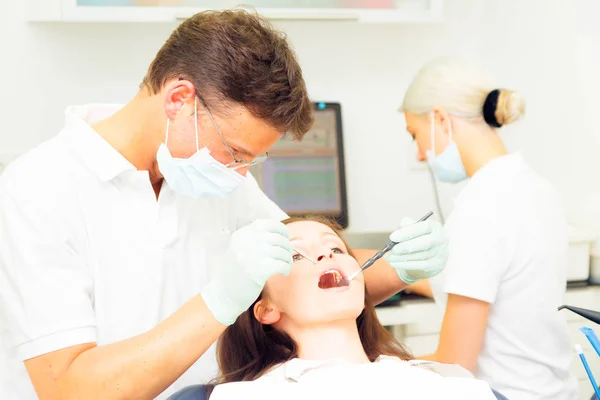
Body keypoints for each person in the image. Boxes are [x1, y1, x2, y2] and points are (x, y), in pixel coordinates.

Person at [0, 10, 448, 400]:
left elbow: (304, 283)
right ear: (179, 100)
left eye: (252, 161)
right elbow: (69, 390)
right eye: (235, 153)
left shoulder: (207, 174)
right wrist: (216, 302)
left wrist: (402, 268)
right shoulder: (37, 192)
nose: (239, 175)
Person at [399, 57, 579, 400]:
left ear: (439, 119)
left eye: (415, 135)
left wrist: (371, 369)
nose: (420, 153)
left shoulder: (480, 206)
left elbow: (455, 365)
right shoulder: (534, 186)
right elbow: (501, 286)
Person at [201, 216, 497, 400]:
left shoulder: (456, 389)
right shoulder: (245, 396)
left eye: (336, 249)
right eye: (296, 255)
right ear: (266, 309)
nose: (325, 255)